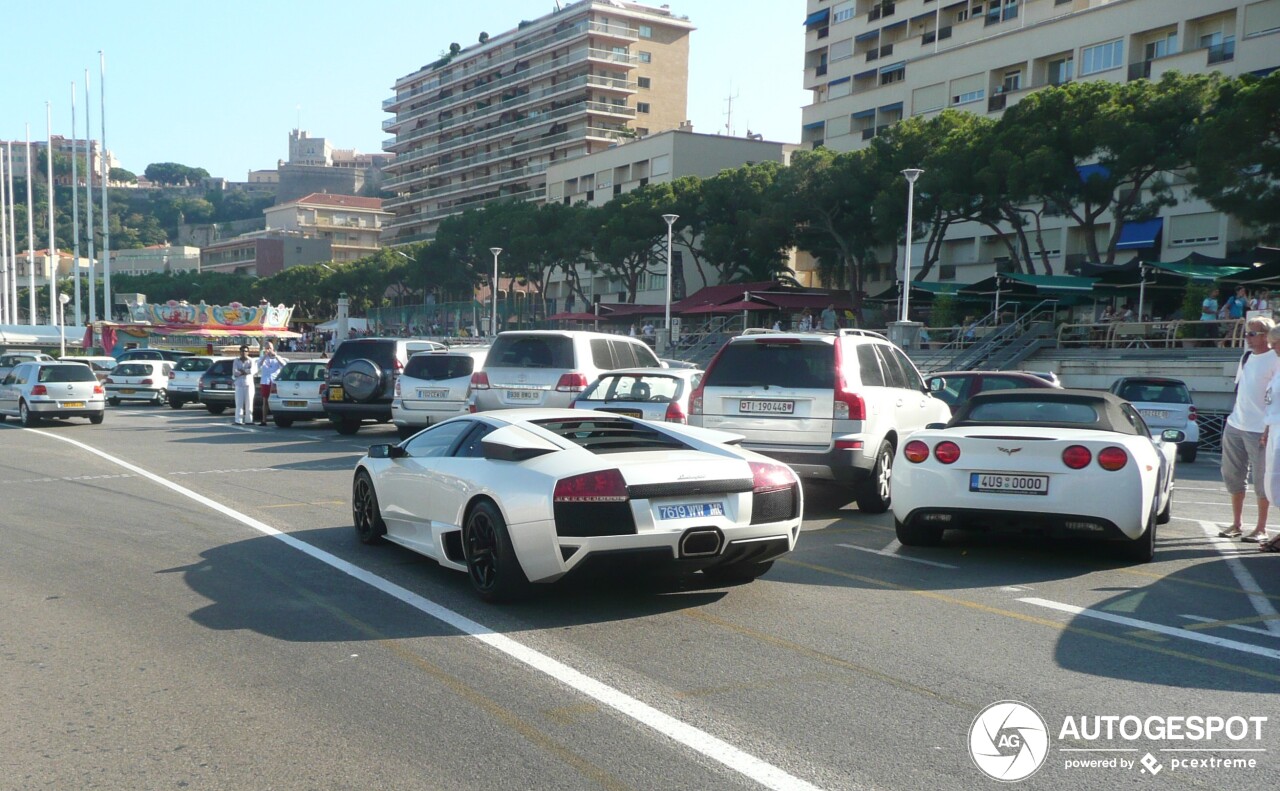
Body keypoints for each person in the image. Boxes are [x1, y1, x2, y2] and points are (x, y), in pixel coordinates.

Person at [1220, 316, 1278, 541]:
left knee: (1262, 478)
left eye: (1252, 334)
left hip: (1260, 428)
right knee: (1233, 474)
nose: (1248, 338)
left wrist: (1269, 427)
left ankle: (1261, 527)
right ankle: (1236, 523)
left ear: (1266, 336)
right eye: (1247, 333)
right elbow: (1241, 389)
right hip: (1236, 423)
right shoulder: (1245, 357)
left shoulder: (1276, 358)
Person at [1260, 325, 1280, 552]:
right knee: (1274, 483)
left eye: (1275, 342)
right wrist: (1266, 429)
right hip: (1275, 428)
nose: (1272, 346)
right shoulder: (1278, 367)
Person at [256, 342, 288, 426]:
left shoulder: (278, 357)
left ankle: (277, 419)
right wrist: (265, 356)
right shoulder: (263, 358)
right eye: (267, 348)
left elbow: (284, 365)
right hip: (265, 381)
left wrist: (276, 356)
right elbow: (258, 365)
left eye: (270, 348)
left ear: (273, 348)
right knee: (265, 401)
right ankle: (264, 420)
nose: (268, 349)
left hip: (274, 382)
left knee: (275, 400)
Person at [232, 344, 257, 426]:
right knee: (239, 403)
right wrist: (245, 371)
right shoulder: (236, 360)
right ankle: (238, 420)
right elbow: (235, 372)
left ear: (248, 352)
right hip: (239, 384)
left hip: (249, 384)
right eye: (242, 351)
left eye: (246, 351)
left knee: (249, 402)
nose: (244, 353)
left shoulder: (251, 360)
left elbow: (252, 371)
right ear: (240, 352)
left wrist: (243, 371)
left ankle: (249, 420)